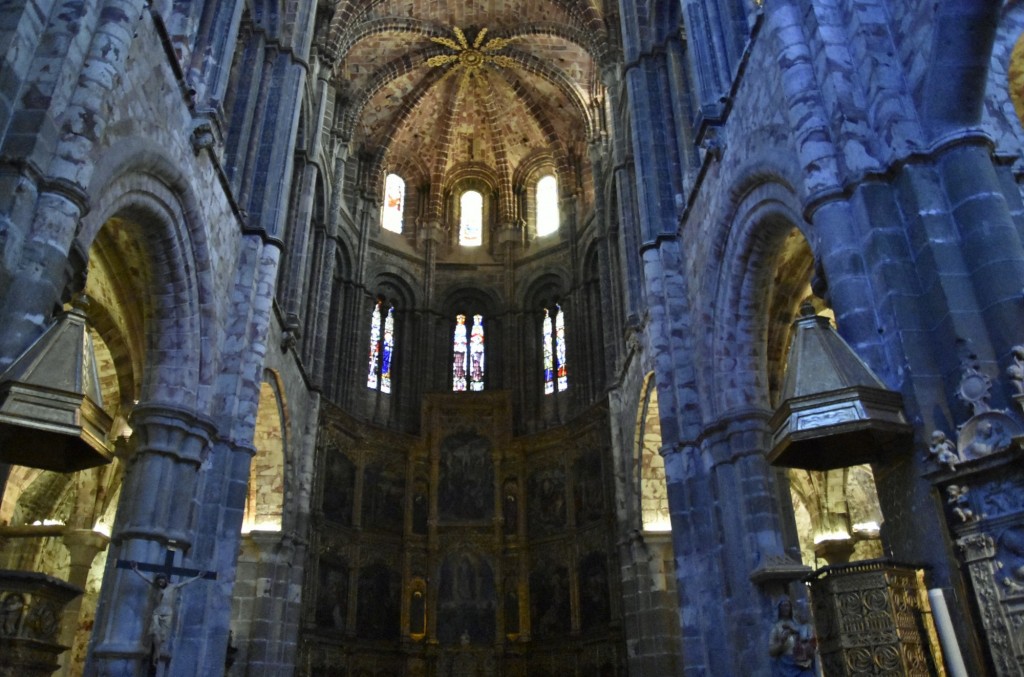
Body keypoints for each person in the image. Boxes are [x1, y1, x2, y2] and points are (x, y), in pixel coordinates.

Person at [131, 562, 204, 664]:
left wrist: (197, 577)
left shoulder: (172, 587)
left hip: (167, 612)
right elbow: (146, 579)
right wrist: (136, 570)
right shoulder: (157, 587)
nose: (160, 583)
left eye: (162, 581)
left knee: (162, 635)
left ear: (165, 580)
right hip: (158, 611)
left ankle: (157, 652)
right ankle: (156, 652)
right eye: (159, 582)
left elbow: (185, 583)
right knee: (155, 632)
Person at [768, 599, 816, 677]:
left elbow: (807, 638)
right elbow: (771, 651)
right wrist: (781, 642)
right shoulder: (776, 628)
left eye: (787, 605)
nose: (785, 608)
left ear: (791, 608)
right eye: (783, 606)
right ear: (779, 608)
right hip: (785, 665)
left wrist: (797, 633)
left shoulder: (797, 623)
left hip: (801, 662)